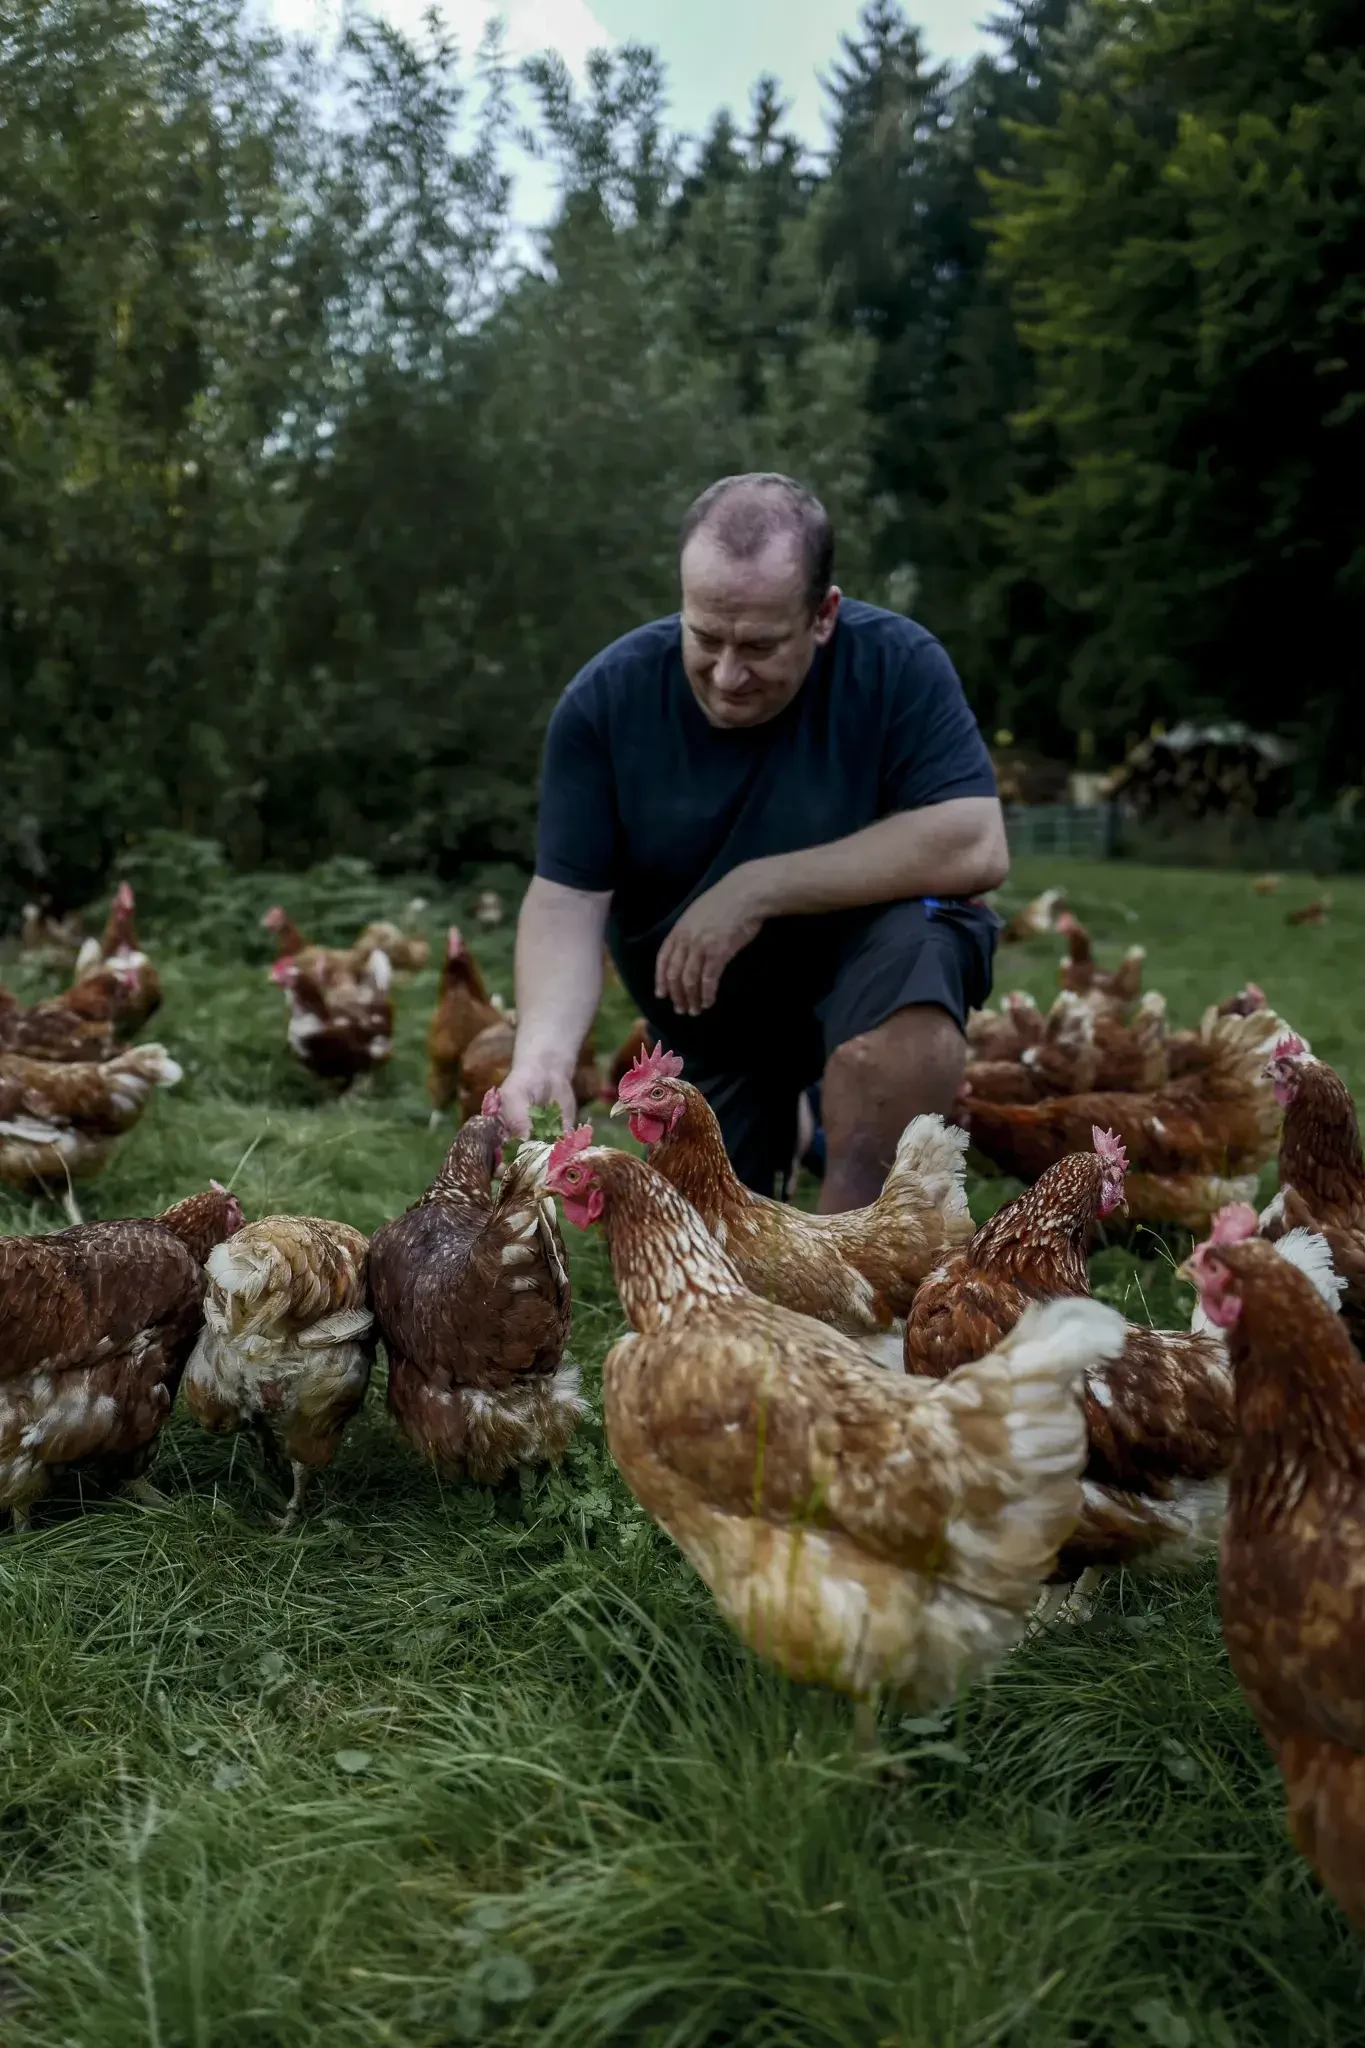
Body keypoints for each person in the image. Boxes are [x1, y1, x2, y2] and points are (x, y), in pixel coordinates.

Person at [500, 472, 1008, 1211]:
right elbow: (567, 898)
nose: (728, 674)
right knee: (717, 1244)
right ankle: (804, 1125)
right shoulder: (605, 702)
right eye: (704, 636)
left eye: (760, 645)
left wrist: (755, 886)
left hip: (861, 982)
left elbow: (973, 841)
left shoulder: (896, 666)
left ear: (823, 615)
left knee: (922, 954)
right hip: (714, 1024)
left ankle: (864, 1233)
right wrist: (543, 1053)